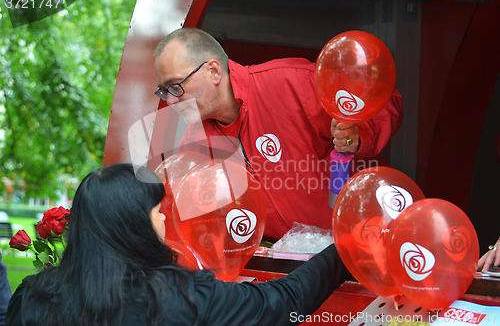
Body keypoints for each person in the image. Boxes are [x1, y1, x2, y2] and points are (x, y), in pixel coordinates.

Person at [5, 163, 351, 326]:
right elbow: (283, 302)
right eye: (157, 210)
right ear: (134, 225)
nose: (165, 219)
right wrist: (348, 246)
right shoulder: (179, 296)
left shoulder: (33, 295)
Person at [153, 28, 403, 241]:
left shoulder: (290, 81)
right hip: (290, 266)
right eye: (164, 91)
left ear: (214, 71)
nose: (172, 101)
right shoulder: (194, 143)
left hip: (364, 238)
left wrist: (358, 135)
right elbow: (177, 211)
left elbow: (382, 98)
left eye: (177, 86)